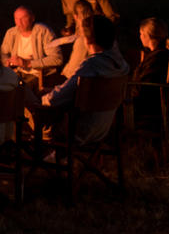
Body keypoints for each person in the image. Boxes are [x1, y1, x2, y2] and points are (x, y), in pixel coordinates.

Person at [38, 16, 129, 145]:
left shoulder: (91, 65)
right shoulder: (122, 66)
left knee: (29, 104)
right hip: (103, 129)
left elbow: (54, 100)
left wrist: (41, 98)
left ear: (87, 39)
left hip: (76, 130)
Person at [132, 18, 169, 117]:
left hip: (146, 106)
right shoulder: (160, 54)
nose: (140, 37)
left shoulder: (157, 58)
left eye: (141, 34)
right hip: (151, 103)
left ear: (148, 36)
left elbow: (144, 87)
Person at [0, 6, 62, 77]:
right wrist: (7, 62)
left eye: (23, 18)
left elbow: (57, 59)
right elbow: (3, 53)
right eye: (16, 19)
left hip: (39, 75)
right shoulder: (11, 33)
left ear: (32, 18)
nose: (19, 22)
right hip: (17, 73)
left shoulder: (43, 32)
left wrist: (28, 63)